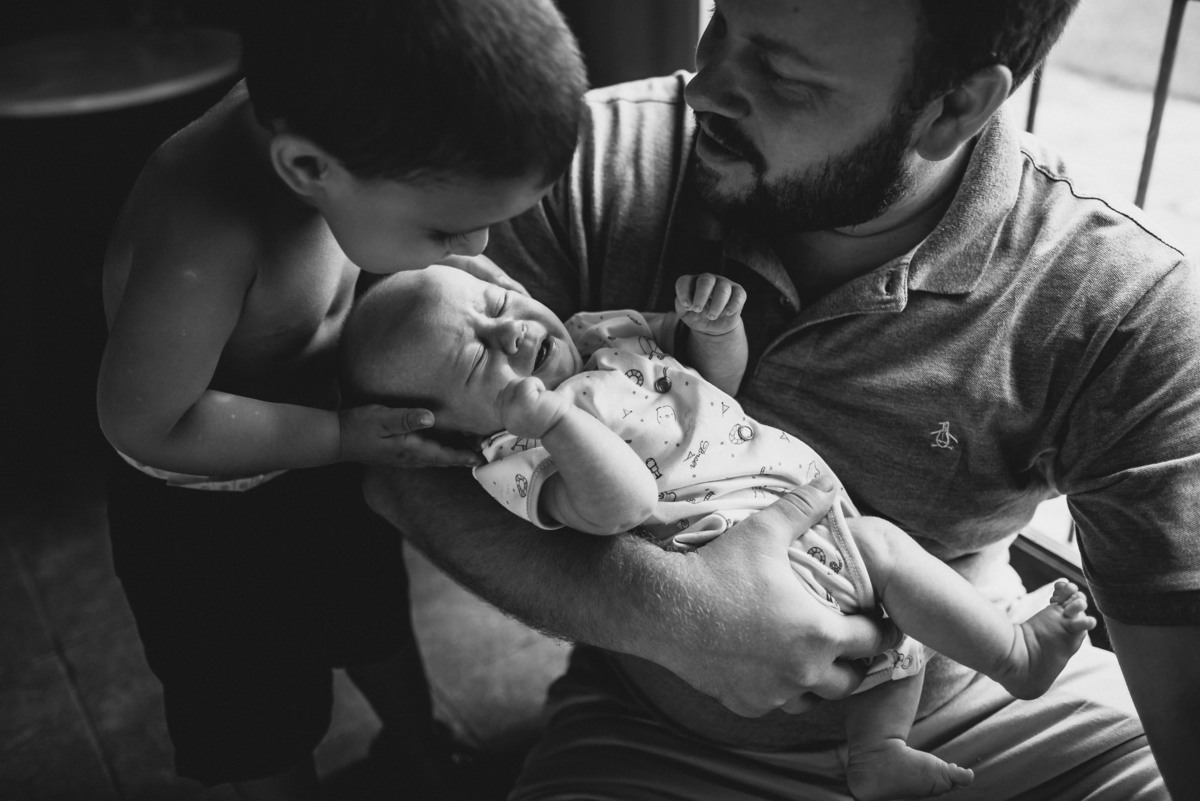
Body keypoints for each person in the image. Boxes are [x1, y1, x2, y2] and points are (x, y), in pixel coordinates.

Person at [364, 0, 1200, 799]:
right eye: (722, 23)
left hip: (992, 709)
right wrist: (670, 618)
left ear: (953, 105)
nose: (706, 89)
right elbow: (390, 450)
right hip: (662, 739)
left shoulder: (1126, 305)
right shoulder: (587, 161)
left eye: (784, 73)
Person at [345, 264, 1100, 799]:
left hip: (796, 513)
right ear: (456, 432)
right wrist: (555, 419)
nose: (509, 329)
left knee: (890, 599)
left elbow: (714, 380)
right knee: (884, 555)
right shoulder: (517, 458)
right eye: (476, 355)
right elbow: (619, 505)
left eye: (495, 298)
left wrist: (717, 328)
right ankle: (1014, 653)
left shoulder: (605, 336)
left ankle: (877, 750)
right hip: (733, 555)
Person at [94, 0, 586, 797]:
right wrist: (334, 437)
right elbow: (143, 421)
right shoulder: (205, 236)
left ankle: (418, 740)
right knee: (254, 702)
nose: (478, 248)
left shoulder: (351, 141)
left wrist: (436, 282)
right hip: (202, 520)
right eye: (446, 231)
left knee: (366, 609)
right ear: (308, 170)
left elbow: (365, 256)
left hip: (323, 438)